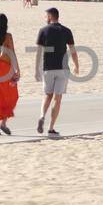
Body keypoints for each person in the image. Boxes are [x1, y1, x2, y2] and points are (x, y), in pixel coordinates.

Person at [35, 7, 78, 137]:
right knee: (57, 99)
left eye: (46, 16)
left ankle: (42, 116)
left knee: (47, 95)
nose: (45, 18)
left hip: (48, 68)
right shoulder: (66, 31)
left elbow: (39, 52)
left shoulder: (43, 30)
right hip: (63, 69)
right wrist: (77, 65)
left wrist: (36, 69)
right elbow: (72, 50)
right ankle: (51, 128)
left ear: (50, 16)